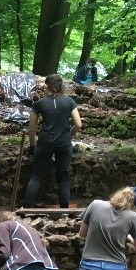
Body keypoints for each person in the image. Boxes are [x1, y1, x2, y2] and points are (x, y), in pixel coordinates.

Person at [21, 74, 82, 209]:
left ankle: (26, 207)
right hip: (64, 143)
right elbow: (78, 124)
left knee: (36, 176)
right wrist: (69, 135)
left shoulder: (39, 103)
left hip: (45, 142)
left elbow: (32, 128)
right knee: (63, 177)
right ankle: (64, 210)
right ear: (61, 86)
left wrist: (32, 145)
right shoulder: (69, 101)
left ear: (47, 86)